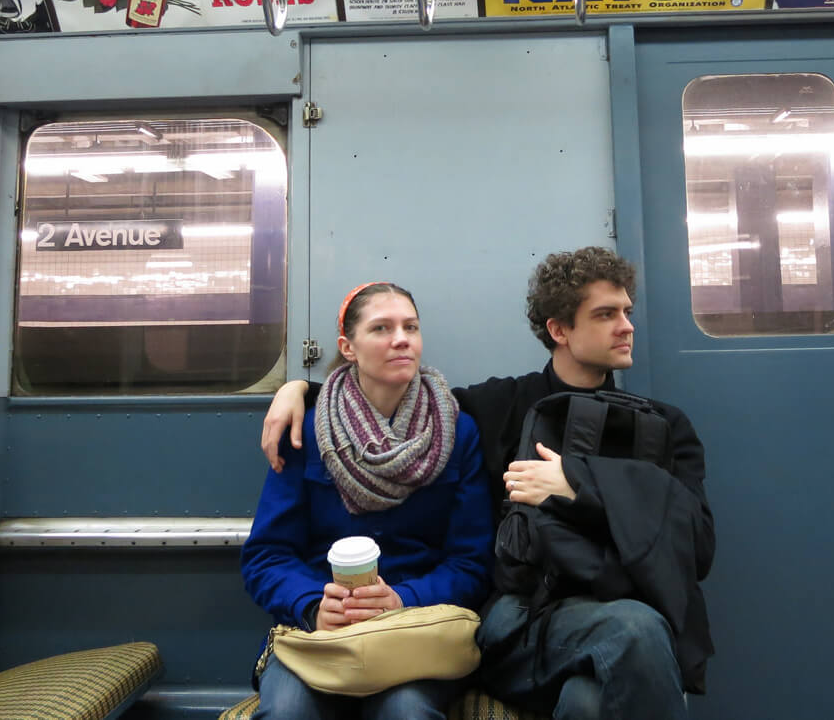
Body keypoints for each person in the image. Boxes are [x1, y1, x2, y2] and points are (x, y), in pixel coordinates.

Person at [260, 249, 715, 718]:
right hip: (527, 620)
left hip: (620, 607)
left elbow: (697, 543)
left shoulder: (665, 426)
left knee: (590, 698)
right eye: (606, 315)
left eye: (626, 312)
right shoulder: (502, 405)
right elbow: (393, 399)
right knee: (637, 631)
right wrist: (299, 390)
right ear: (559, 330)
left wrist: (579, 484)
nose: (627, 326)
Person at [242, 282, 492, 720]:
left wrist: (402, 598)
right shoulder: (308, 431)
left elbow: (471, 564)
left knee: (407, 714)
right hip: (318, 633)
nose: (401, 338)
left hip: (413, 628)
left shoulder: (456, 431)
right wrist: (314, 605)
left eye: (410, 327)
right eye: (382, 328)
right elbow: (266, 556)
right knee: (287, 714)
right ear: (348, 347)